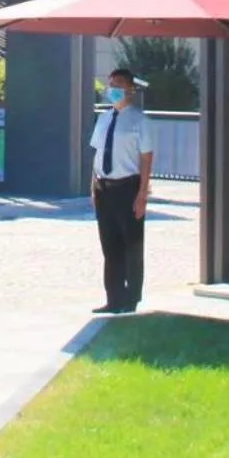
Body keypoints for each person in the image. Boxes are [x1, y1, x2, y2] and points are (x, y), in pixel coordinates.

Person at [90, 66, 153, 315]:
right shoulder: (104, 118)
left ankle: (131, 298)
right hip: (104, 188)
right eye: (111, 85)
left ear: (130, 90)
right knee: (110, 246)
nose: (113, 90)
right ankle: (113, 298)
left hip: (128, 187)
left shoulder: (139, 120)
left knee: (132, 246)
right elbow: (97, 152)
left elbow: (146, 158)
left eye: (118, 85)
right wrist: (93, 185)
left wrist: (142, 194)